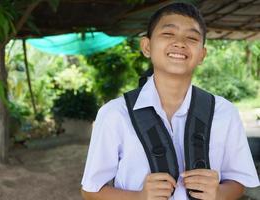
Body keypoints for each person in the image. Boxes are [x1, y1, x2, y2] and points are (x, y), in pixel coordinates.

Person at [80, 2, 260, 200]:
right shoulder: (114, 114)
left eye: (191, 38)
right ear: (147, 46)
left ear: (202, 54)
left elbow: (238, 183)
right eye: (168, 34)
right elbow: (90, 190)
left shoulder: (224, 112)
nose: (180, 43)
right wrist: (138, 197)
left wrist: (218, 193)